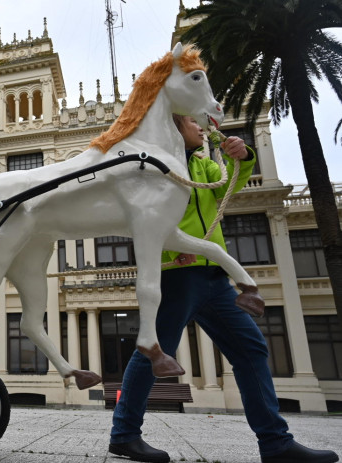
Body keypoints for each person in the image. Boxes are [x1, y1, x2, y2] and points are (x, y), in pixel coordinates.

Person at [108, 115, 339, 463]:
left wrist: (241, 156)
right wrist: (171, 250)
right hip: (178, 276)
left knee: (251, 349)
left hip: (215, 278)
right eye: (191, 121)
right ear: (173, 127)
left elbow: (230, 183)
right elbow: (138, 219)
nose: (201, 127)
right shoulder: (152, 169)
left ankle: (276, 444)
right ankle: (124, 434)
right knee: (154, 351)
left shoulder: (202, 167)